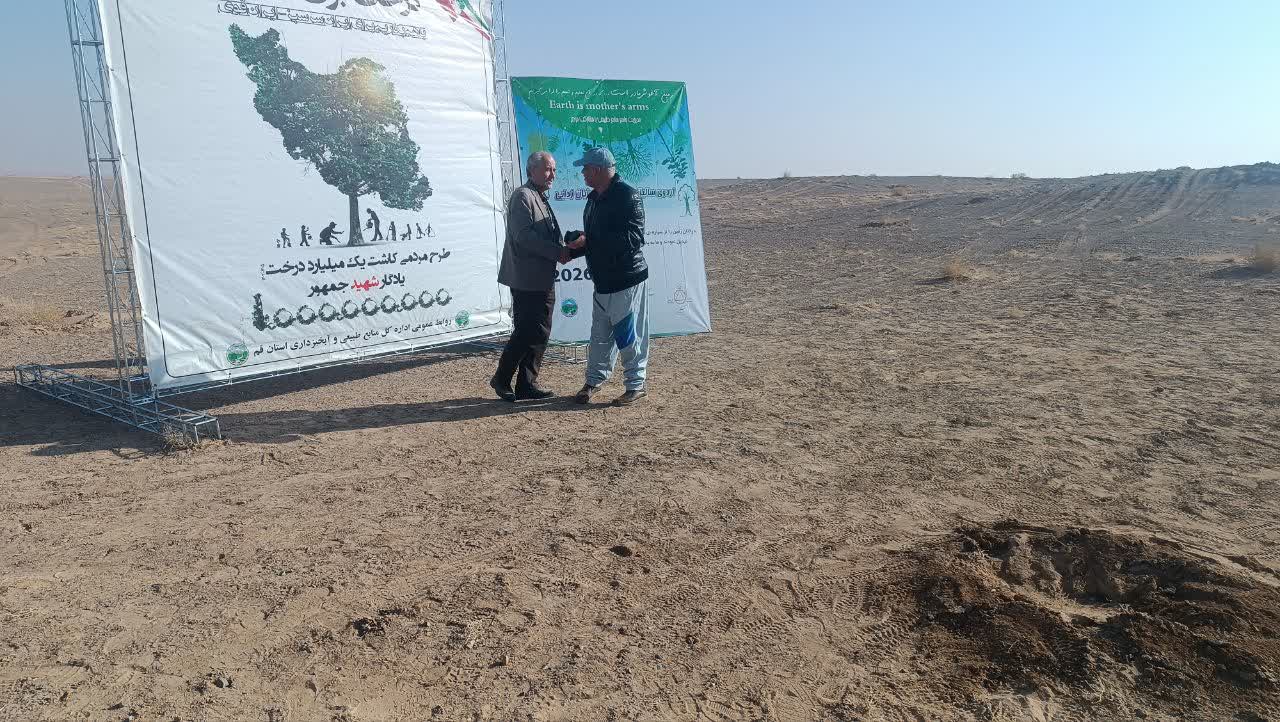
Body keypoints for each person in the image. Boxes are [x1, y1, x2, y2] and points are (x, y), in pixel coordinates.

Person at [565, 147, 650, 407]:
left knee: (628, 335)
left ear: (598, 169)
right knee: (599, 335)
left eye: (585, 168)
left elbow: (633, 239)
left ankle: (636, 385)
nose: (582, 173)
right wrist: (575, 246)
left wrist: (589, 240)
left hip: (626, 279)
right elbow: (596, 239)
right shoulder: (593, 199)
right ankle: (593, 381)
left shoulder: (628, 195)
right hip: (602, 281)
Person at [490, 151, 566, 402]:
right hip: (527, 279)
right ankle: (501, 379)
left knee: (540, 332)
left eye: (554, 170)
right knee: (526, 331)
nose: (552, 175)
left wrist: (568, 245)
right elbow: (524, 237)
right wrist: (557, 252)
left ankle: (526, 384)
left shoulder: (539, 196)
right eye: (548, 169)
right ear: (531, 170)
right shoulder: (523, 196)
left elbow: (545, 234)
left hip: (542, 278)